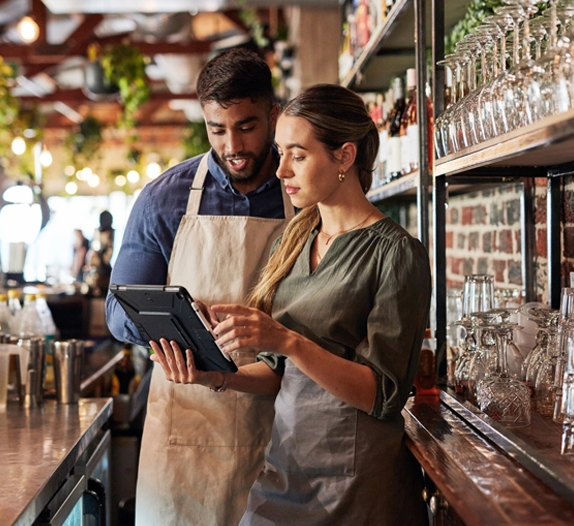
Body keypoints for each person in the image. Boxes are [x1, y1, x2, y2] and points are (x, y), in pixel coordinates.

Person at [150, 84, 431, 525]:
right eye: (280, 153)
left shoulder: (396, 253)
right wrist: (216, 375)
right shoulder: (293, 238)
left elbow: (384, 395)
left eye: (297, 155)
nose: (280, 170)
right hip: (285, 467)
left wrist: (288, 340)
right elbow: (276, 373)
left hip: (354, 482)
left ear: (344, 156)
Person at [105, 47, 294, 525]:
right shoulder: (164, 198)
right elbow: (117, 309)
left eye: (247, 126)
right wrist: (177, 321)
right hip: (186, 432)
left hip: (282, 429)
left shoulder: (303, 194)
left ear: (273, 115)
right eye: (217, 130)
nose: (232, 145)